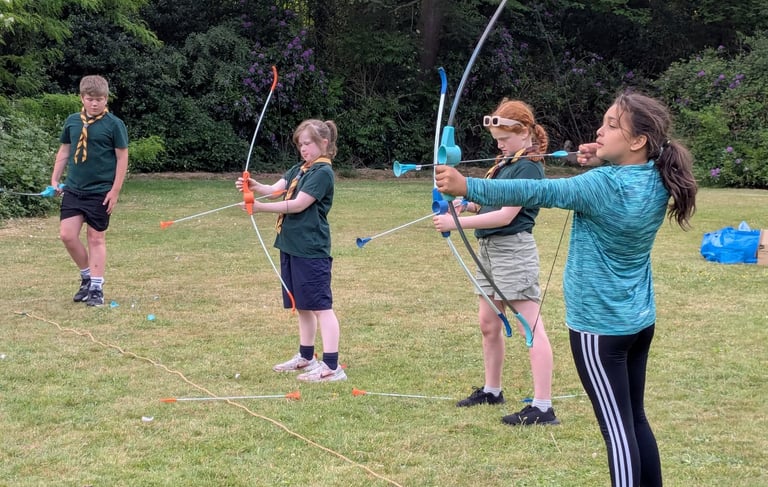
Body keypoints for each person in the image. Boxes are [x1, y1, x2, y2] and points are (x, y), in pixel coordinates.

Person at [435, 91, 697, 487]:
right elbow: (619, 173)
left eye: (612, 126)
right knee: (635, 420)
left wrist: (466, 186)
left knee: (617, 430)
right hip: (639, 321)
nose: (599, 131)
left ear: (638, 141)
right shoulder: (657, 175)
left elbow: (538, 192)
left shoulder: (603, 185)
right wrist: (602, 156)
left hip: (599, 329)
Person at [433, 99, 558, 426]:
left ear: (525, 132)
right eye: (497, 140)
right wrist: (467, 205)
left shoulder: (529, 166)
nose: (500, 145)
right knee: (488, 324)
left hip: (513, 251)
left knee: (530, 325)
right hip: (489, 250)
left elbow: (505, 216)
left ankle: (543, 406)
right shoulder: (506, 162)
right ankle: (492, 390)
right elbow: (491, 203)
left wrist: (455, 223)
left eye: (504, 139)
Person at [236, 119, 346, 382]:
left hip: (311, 249)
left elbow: (298, 204)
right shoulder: (300, 168)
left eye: (308, 144)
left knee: (321, 307)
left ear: (324, 143)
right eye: (300, 144)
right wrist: (256, 188)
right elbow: (276, 189)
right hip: (291, 246)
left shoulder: (322, 173)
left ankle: (332, 366)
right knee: (303, 305)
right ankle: (306, 357)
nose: (303, 149)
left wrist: (260, 208)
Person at [51, 75, 129, 307]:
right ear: (82, 98)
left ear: (106, 99)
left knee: (95, 238)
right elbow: (65, 151)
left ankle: (96, 287)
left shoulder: (114, 124)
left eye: (99, 99)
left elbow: (122, 158)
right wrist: (55, 179)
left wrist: (115, 191)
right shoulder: (73, 122)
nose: (94, 103)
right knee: (67, 235)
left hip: (100, 191)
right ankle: (87, 276)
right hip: (74, 189)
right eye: (90, 99)